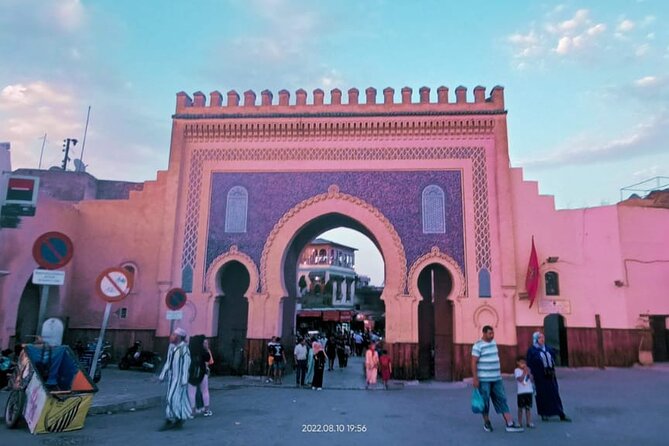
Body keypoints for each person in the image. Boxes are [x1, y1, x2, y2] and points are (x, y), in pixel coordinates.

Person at [471, 325, 524, 433]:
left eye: (493, 333)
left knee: (502, 399)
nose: (492, 335)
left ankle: (509, 423)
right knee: (485, 402)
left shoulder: (494, 343)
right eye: (490, 333)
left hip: (497, 378)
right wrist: (475, 378)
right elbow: (473, 362)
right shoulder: (478, 346)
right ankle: (487, 422)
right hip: (484, 379)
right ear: (484, 333)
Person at [526, 331, 571, 422]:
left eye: (543, 337)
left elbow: (553, 357)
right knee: (542, 394)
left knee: (554, 393)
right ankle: (544, 413)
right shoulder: (532, 350)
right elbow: (529, 362)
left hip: (550, 375)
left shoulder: (548, 348)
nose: (542, 339)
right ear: (535, 339)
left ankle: (560, 413)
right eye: (539, 338)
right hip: (539, 376)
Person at [158, 328, 192, 431]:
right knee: (170, 398)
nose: (171, 336)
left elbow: (186, 365)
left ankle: (177, 419)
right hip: (172, 379)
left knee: (172, 399)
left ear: (179, 337)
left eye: (174, 335)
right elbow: (168, 362)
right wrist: (162, 375)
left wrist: (184, 380)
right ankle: (173, 420)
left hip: (180, 380)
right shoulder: (172, 347)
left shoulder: (184, 350)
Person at [188, 335, 212, 417]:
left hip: (192, 373)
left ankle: (192, 411)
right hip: (202, 372)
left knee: (191, 393)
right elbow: (208, 359)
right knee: (205, 391)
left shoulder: (190, 350)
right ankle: (207, 410)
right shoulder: (203, 351)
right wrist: (206, 349)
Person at [514, 356, 534, 428]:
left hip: (529, 391)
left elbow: (531, 379)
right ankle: (519, 422)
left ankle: (529, 422)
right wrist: (524, 373)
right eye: (521, 362)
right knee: (520, 408)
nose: (523, 364)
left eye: (524, 363)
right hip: (521, 392)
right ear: (518, 363)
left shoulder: (528, 369)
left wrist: (529, 373)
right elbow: (520, 379)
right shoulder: (517, 370)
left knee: (528, 408)